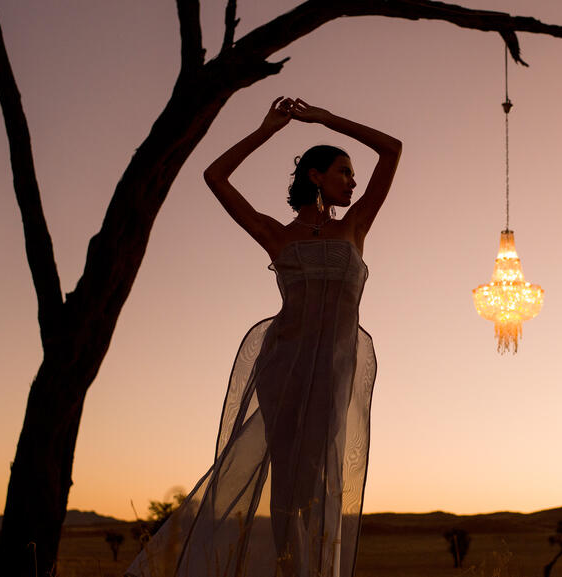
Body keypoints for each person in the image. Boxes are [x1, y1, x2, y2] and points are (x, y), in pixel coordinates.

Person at [127, 97, 401, 577]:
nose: (353, 182)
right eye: (343, 171)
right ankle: (288, 568)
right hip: (284, 362)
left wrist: (326, 118)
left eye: (353, 174)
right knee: (285, 480)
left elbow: (393, 149)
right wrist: (267, 129)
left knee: (317, 474)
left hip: (333, 366)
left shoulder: (356, 226)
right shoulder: (276, 235)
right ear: (316, 176)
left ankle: (315, 568)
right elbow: (215, 177)